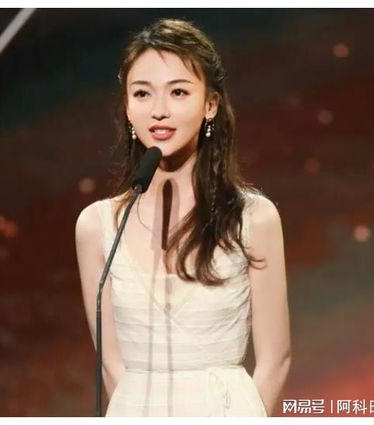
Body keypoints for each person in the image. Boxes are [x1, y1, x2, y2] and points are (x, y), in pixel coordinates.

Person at [75, 18, 291, 417]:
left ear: (210, 104)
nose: (159, 111)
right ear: (127, 107)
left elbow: (275, 359)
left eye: (178, 92)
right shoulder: (98, 226)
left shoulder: (253, 219)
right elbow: (111, 364)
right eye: (142, 93)